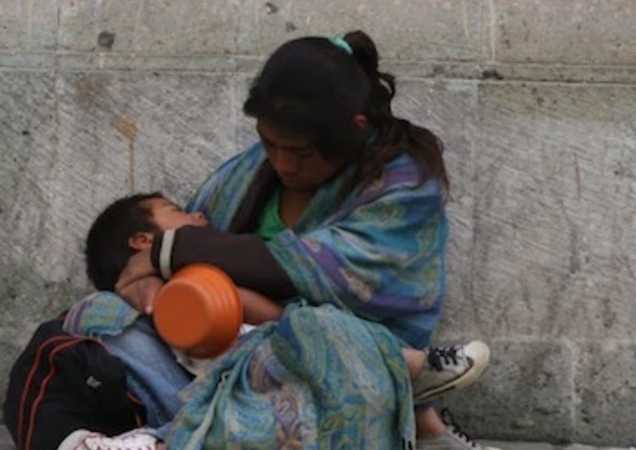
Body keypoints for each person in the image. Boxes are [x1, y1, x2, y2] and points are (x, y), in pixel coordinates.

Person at [111, 30, 494, 450]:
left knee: (316, 334)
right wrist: (151, 287)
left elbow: (303, 268)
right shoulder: (252, 172)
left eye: (301, 153)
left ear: (355, 129)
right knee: (101, 322)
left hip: (333, 372)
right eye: (269, 143)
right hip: (217, 352)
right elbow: (188, 255)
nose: (282, 163)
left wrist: (171, 251)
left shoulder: (404, 186)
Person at [60, 191, 488, 449]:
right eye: (179, 211)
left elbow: (260, 313)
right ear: (143, 240)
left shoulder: (191, 278)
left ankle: (415, 394)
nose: (199, 218)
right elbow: (256, 319)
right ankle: (412, 371)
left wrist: (291, 324)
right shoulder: (162, 297)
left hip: (269, 362)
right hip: (233, 382)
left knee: (319, 331)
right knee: (317, 335)